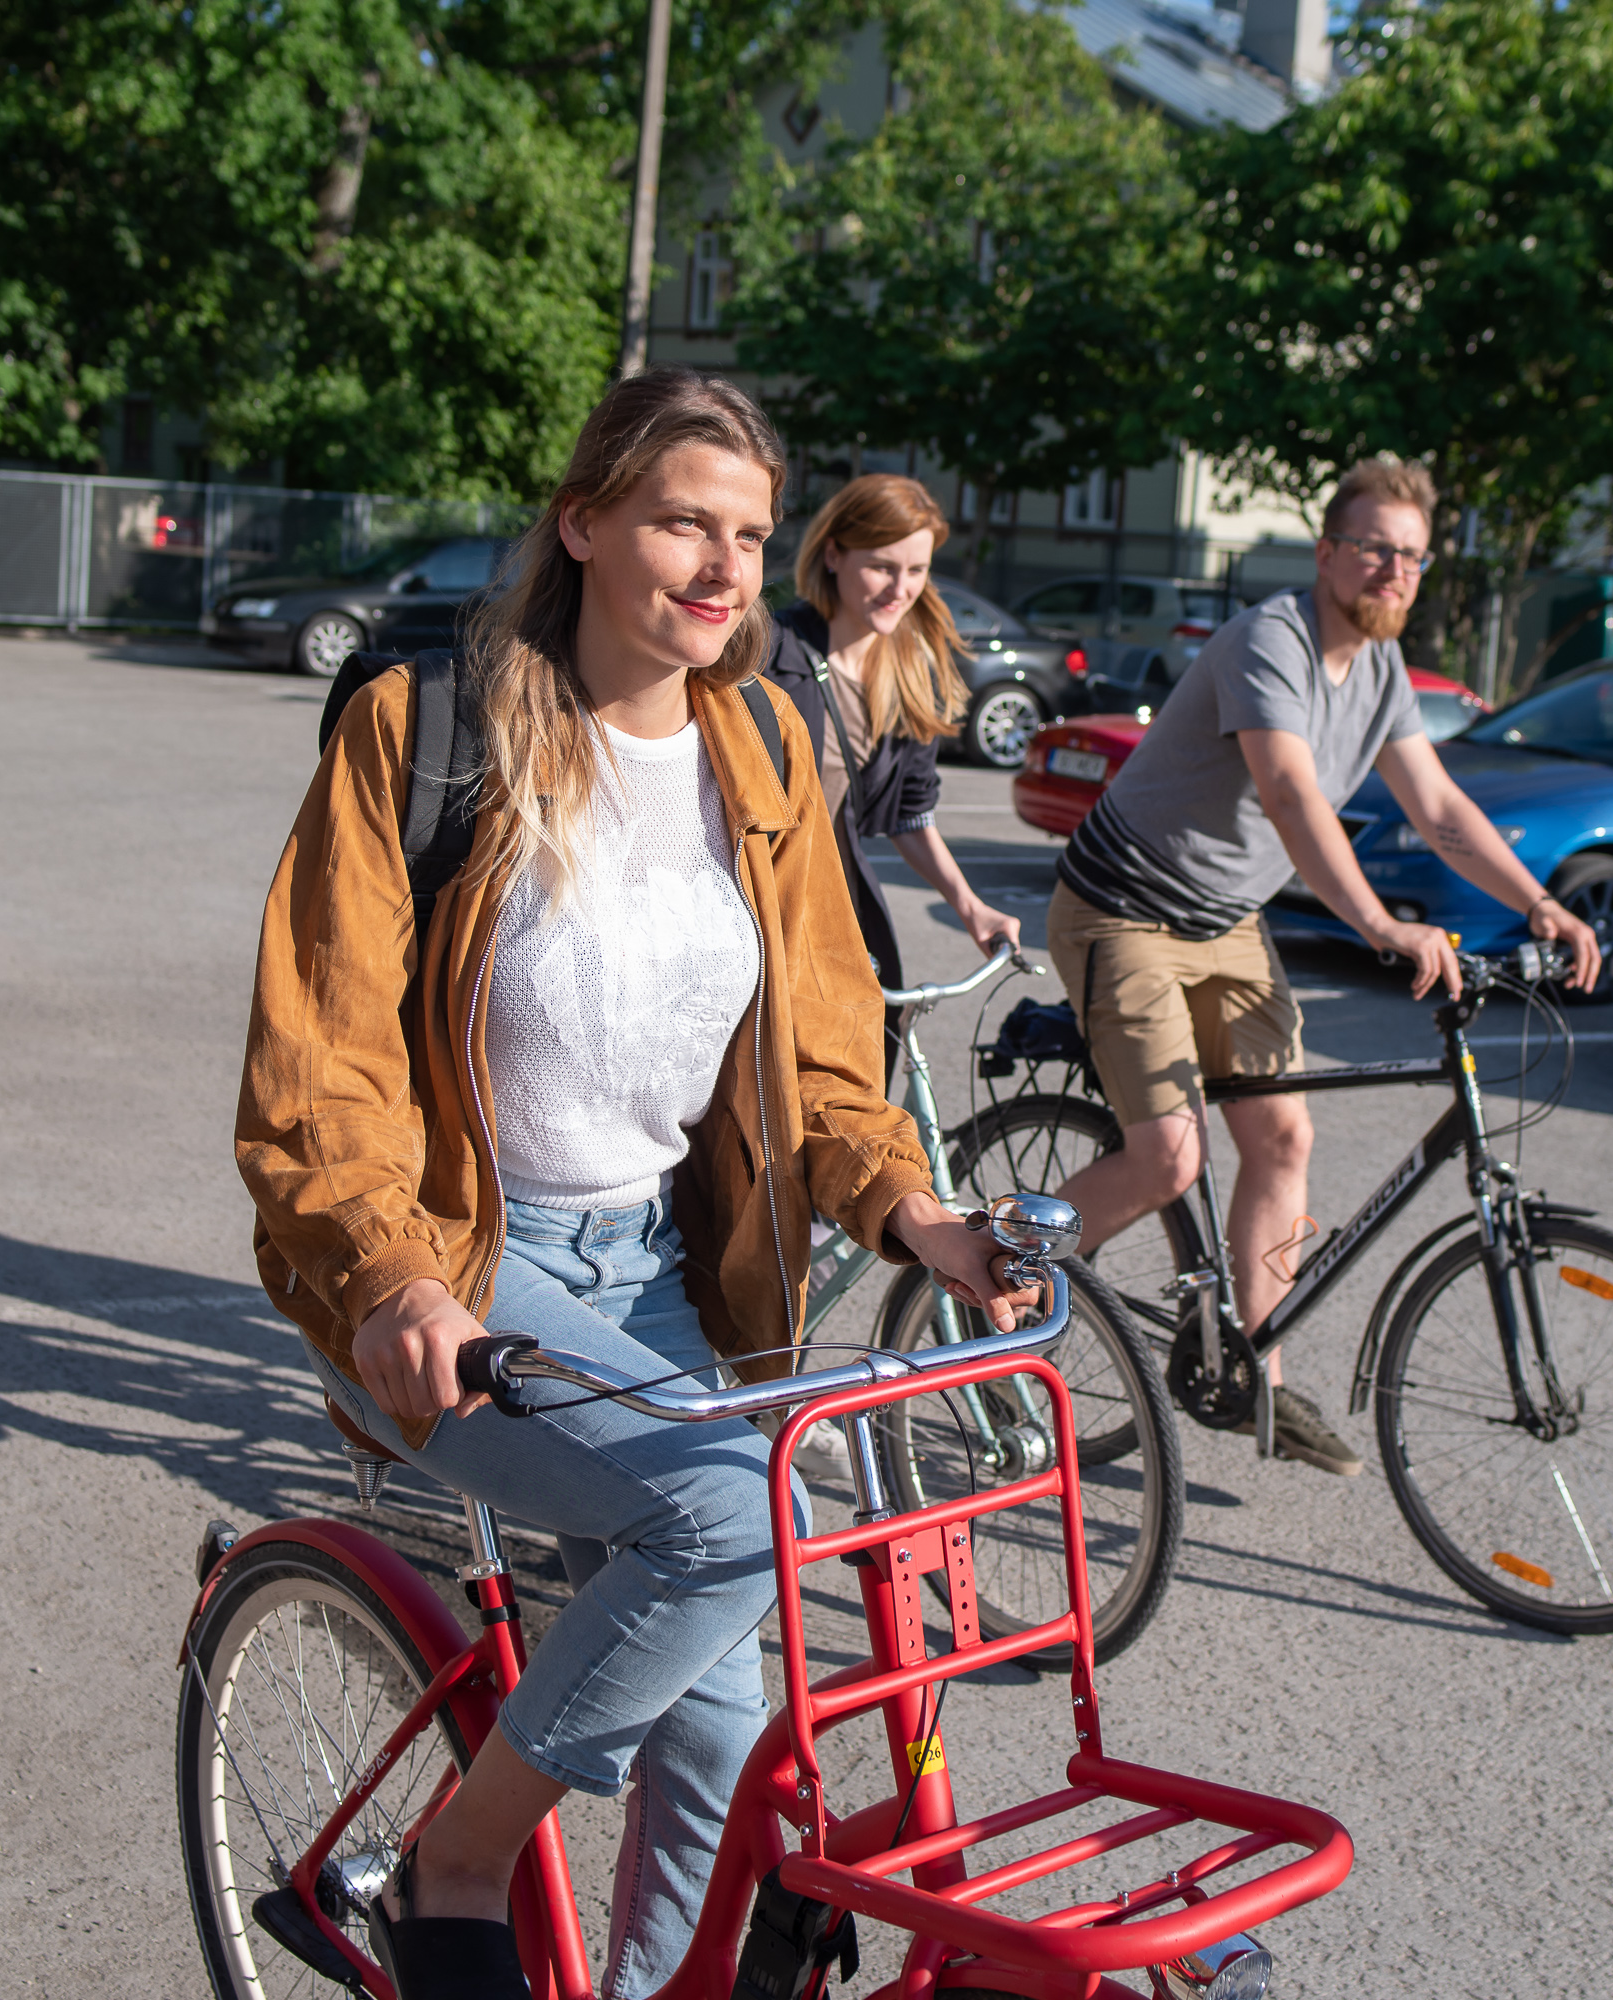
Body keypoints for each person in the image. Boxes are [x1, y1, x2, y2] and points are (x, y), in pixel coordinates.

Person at [235, 368, 1037, 2000]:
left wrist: (921, 1214)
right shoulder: (426, 729)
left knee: (728, 1730)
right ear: (586, 524)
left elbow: (825, 1053)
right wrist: (390, 1274)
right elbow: (320, 1062)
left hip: (662, 1276)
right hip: (462, 1268)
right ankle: (454, 1865)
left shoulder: (761, 746)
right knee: (737, 1522)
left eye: (748, 532)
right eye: (683, 521)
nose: (724, 564)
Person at [1046, 456, 1601, 1476]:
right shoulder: (1272, 640)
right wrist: (1382, 925)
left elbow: (1438, 806)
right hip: (1121, 911)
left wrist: (1540, 903)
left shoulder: (1381, 668)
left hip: (1226, 921)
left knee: (1282, 1136)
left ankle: (1255, 1373)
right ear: (1326, 554)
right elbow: (1291, 794)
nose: (1394, 570)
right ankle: (995, 1275)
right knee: (1167, 1156)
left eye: (1411, 556)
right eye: (1374, 548)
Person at [761, 474, 1023, 1021]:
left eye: (917, 570)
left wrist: (971, 908)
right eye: (882, 567)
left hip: (836, 916)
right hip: (755, 914)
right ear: (833, 554)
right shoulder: (767, 653)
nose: (900, 589)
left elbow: (910, 815)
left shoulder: (912, 673)